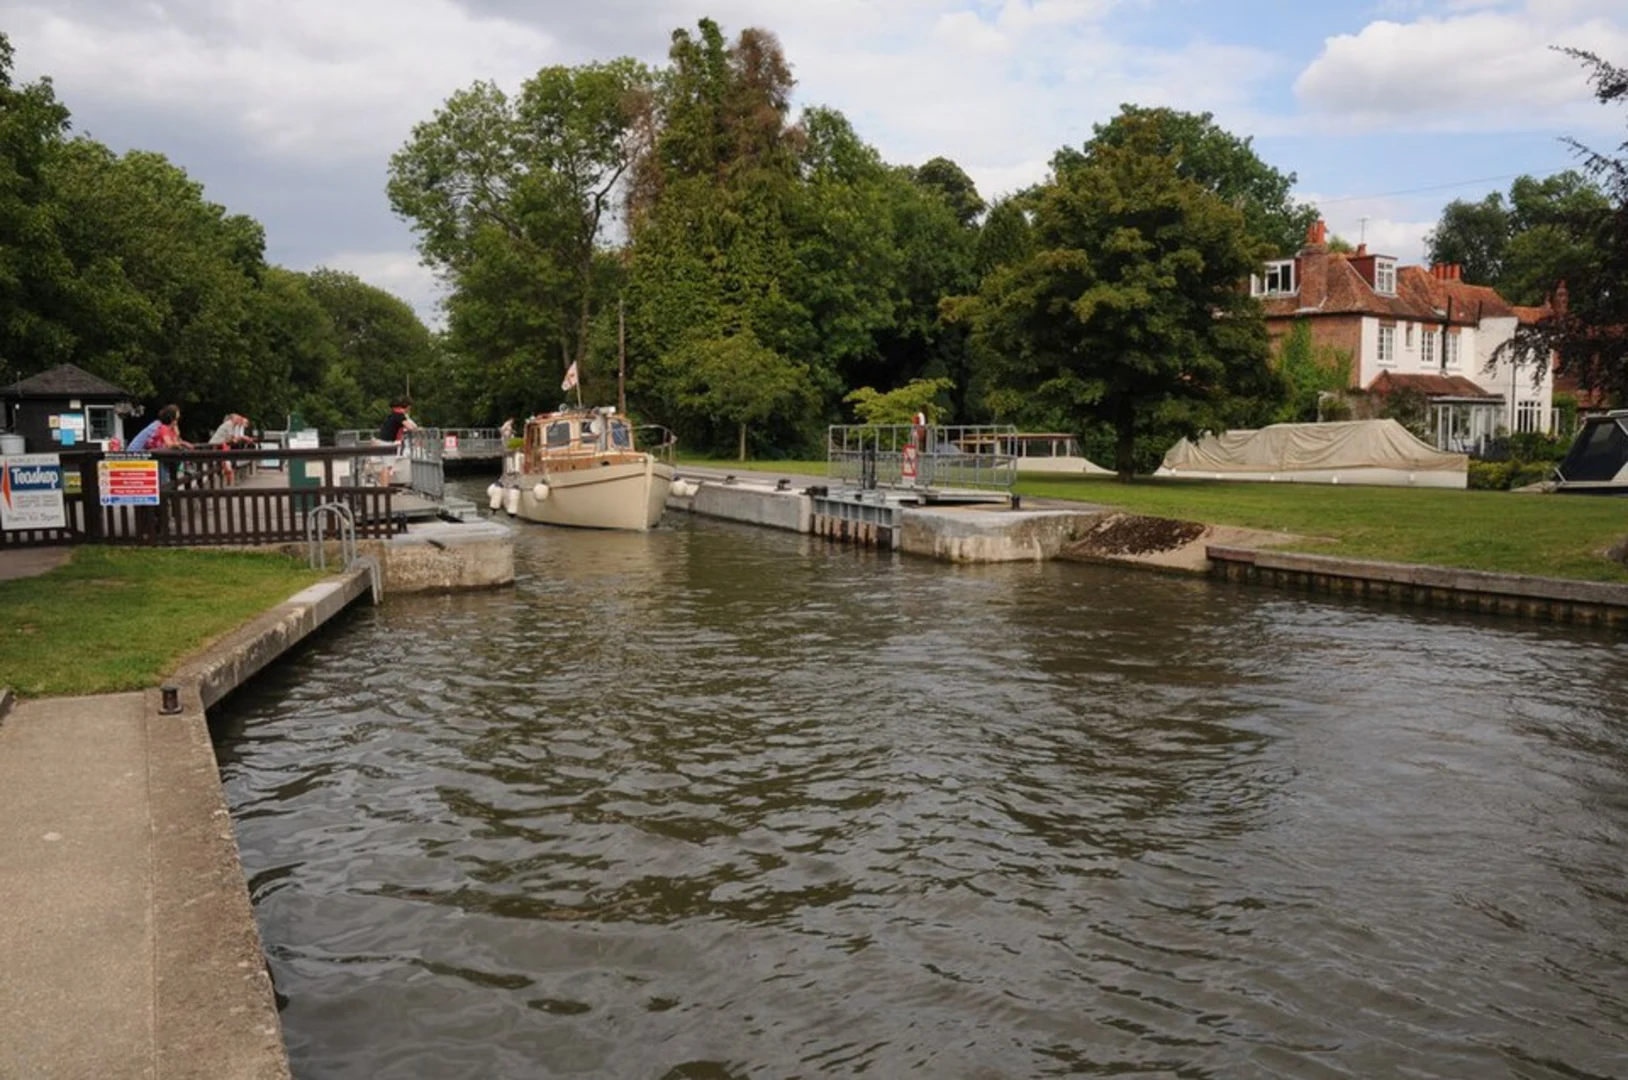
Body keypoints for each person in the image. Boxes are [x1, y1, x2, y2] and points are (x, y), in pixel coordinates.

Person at [373, 397, 417, 486]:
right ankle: (384, 488)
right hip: (387, 443)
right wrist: (417, 429)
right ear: (408, 407)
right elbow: (410, 427)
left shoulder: (394, 414)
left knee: (386, 466)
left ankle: (383, 487)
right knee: (387, 466)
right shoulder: (399, 415)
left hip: (383, 441)